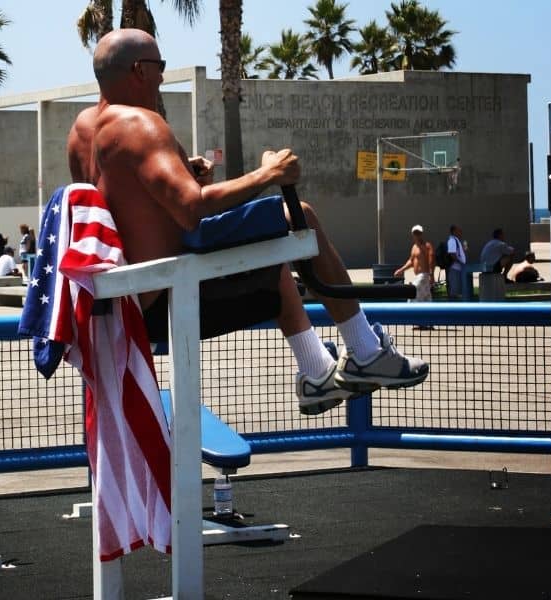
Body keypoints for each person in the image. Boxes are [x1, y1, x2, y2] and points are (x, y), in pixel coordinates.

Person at [66, 29, 428, 416]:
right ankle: (365, 350)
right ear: (139, 69)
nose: (161, 77)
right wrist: (268, 173)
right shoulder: (140, 125)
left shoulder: (83, 131)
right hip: (170, 295)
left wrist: (183, 174)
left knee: (272, 257)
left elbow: (124, 203)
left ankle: (317, 372)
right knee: (299, 215)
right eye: (160, 67)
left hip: (133, 298)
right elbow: (191, 208)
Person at [394, 225, 435, 302]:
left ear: (421, 234)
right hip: (418, 276)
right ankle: (428, 312)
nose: (417, 235)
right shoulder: (414, 247)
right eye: (415, 233)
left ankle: (409, 312)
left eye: (419, 233)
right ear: (413, 234)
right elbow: (411, 261)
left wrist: (431, 275)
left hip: (423, 276)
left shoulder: (427, 246)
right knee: (425, 299)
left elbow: (431, 260)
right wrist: (401, 270)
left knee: (412, 295)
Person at [446, 224, 466, 299]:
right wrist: (461, 263)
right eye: (459, 230)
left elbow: (461, 253)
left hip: (458, 268)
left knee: (459, 290)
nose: (461, 232)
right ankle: (452, 308)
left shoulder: (458, 241)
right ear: (454, 231)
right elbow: (452, 254)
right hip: (455, 269)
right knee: (455, 291)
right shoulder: (452, 240)